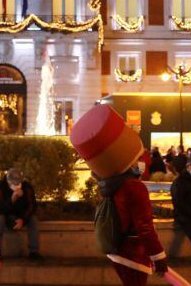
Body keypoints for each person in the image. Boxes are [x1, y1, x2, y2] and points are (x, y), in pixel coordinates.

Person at [71, 105, 167, 286]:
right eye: (138, 158)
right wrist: (158, 256)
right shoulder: (134, 187)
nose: (142, 162)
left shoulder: (114, 185)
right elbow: (144, 226)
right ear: (129, 161)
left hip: (117, 250)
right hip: (132, 253)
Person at [0, 168, 42, 260]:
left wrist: (23, 219)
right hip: (6, 216)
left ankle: (34, 252)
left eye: (18, 183)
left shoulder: (26, 187)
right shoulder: (0, 187)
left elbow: (32, 206)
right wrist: (11, 200)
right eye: (13, 183)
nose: (16, 185)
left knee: (33, 219)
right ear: (8, 181)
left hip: (21, 217)